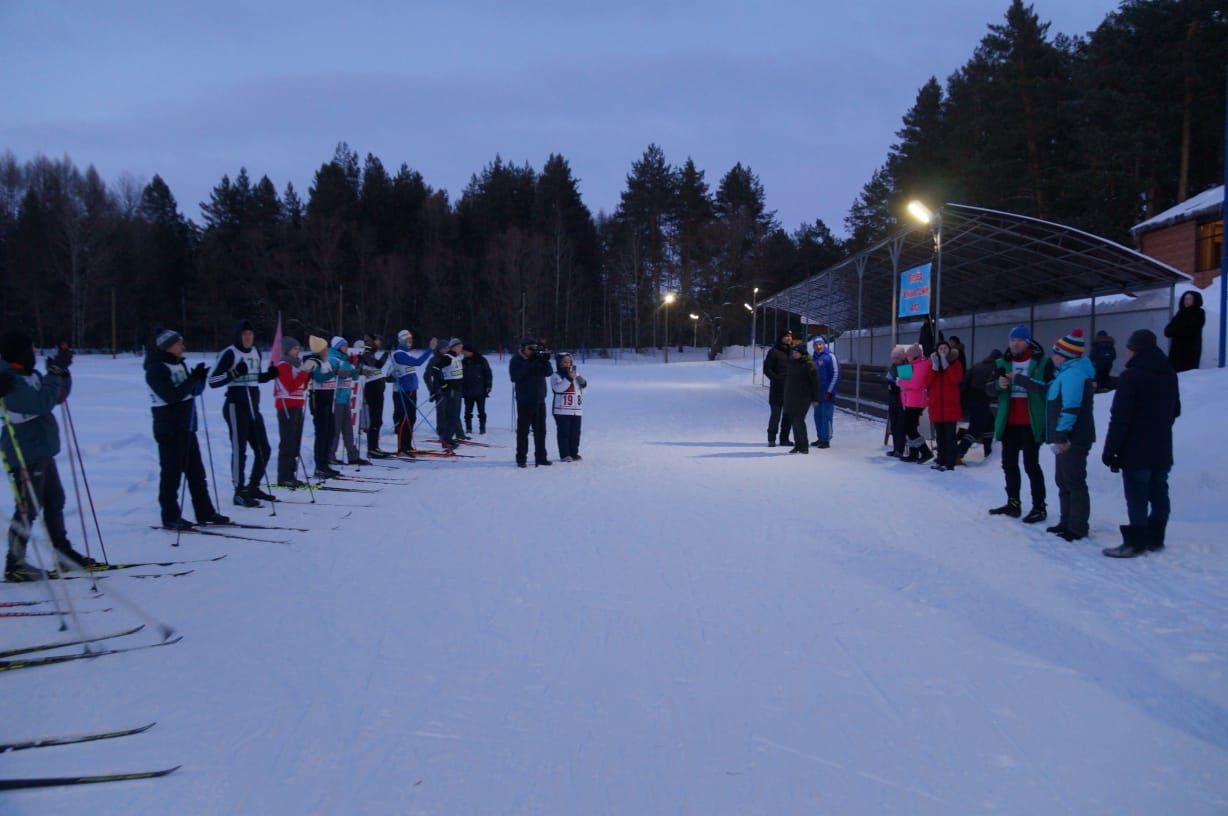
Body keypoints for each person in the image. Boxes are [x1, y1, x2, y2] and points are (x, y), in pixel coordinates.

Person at [1, 333, 96, 580]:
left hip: (42, 449)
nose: (34, 352)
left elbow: (57, 396)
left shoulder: (28, 374)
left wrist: (61, 370)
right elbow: (40, 403)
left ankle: (62, 554)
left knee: (55, 500)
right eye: (31, 348)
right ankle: (15, 564)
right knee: (27, 508)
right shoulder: (8, 380)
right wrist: (53, 374)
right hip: (25, 452)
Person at [1101, 329, 1181, 558]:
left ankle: (1135, 542)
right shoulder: (1169, 374)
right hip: (1163, 446)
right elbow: (1176, 410)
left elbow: (1120, 417)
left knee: (1137, 494)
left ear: (1134, 348)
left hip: (1136, 449)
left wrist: (1110, 451)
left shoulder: (1131, 376)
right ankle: (1156, 538)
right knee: (1159, 491)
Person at [145, 329, 230, 530]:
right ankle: (170, 516)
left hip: (187, 426)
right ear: (168, 346)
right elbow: (171, 396)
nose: (183, 347)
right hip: (169, 428)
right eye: (178, 343)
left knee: (196, 473)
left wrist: (199, 379)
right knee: (171, 474)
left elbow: (192, 392)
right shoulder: (155, 369)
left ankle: (205, 511)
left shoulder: (179, 363)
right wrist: (192, 381)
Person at [1016, 328, 1095, 540]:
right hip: (1066, 439)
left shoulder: (1074, 375)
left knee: (1074, 482)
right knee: (1063, 481)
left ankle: (1077, 527)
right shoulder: (1065, 374)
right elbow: (1046, 389)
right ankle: (1066, 521)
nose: (1053, 356)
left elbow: (1071, 408)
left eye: (1056, 352)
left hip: (1073, 439)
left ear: (1066, 355)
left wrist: (1062, 436)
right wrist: (1020, 380)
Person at [208, 319, 277, 507]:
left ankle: (253, 486)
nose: (248, 338)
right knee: (240, 450)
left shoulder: (256, 351)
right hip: (235, 406)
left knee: (264, 449)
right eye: (244, 334)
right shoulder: (230, 353)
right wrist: (233, 373)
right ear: (238, 336)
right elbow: (213, 381)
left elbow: (254, 377)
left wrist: (268, 376)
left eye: (251, 334)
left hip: (253, 407)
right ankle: (239, 491)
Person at [989, 325, 1053, 522]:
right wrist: (997, 386)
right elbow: (988, 389)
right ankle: (1013, 503)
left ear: (1027, 342)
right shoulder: (1001, 362)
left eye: (1019, 339)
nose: (1015, 343)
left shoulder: (1042, 362)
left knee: (1031, 465)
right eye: (1012, 339)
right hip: (1009, 422)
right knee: (1008, 464)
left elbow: (1049, 390)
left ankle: (1039, 506)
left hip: (1032, 422)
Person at [509, 337, 554, 468]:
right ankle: (521, 458)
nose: (533, 351)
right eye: (530, 348)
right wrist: (529, 364)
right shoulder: (516, 360)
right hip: (524, 400)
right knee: (523, 431)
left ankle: (541, 457)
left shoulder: (537, 358)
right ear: (523, 348)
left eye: (535, 348)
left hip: (540, 399)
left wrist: (544, 360)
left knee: (541, 431)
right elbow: (514, 377)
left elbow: (549, 372)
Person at [390, 329, 436, 455]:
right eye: (407, 340)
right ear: (402, 341)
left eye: (411, 340)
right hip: (403, 392)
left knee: (411, 419)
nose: (410, 342)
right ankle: (402, 448)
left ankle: (407, 445)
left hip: (411, 391)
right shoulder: (399, 354)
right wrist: (430, 349)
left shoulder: (407, 354)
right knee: (404, 419)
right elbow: (418, 362)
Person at [273, 336, 310, 487]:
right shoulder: (283, 365)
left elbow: (302, 385)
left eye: (298, 348)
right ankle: (283, 476)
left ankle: (291, 474)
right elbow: (291, 385)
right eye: (295, 348)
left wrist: (307, 373)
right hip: (286, 406)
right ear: (287, 350)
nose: (297, 351)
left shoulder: (296, 365)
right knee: (287, 441)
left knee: (295, 441)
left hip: (297, 404)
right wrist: (304, 373)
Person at [304, 335, 340, 479]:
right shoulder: (313, 361)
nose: (326, 350)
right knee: (322, 434)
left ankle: (325, 464)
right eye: (324, 348)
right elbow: (319, 377)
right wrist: (334, 372)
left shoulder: (326, 362)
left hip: (328, 400)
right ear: (319, 349)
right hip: (318, 401)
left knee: (330, 432)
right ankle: (319, 466)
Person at [926, 338, 964, 471]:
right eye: (940, 349)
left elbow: (956, 379)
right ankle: (940, 459)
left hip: (950, 407)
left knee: (950, 436)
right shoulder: (933, 364)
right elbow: (928, 382)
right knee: (940, 437)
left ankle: (950, 461)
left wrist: (946, 366)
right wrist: (935, 368)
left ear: (949, 350)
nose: (943, 351)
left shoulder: (956, 363)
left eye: (945, 349)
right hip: (937, 406)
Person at [328, 337, 366, 466]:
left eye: (347, 345)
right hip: (336, 398)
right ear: (337, 346)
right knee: (335, 429)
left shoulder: (345, 359)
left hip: (345, 398)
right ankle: (330, 455)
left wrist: (357, 365)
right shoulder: (332, 358)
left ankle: (353, 456)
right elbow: (339, 373)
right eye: (344, 345)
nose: (346, 348)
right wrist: (350, 367)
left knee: (348, 429)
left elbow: (354, 375)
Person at [956, 350, 1000, 463]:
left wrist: (962, 402)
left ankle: (989, 453)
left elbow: (965, 382)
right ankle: (958, 453)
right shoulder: (996, 368)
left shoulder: (977, 365)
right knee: (975, 429)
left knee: (989, 424)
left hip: (971, 400)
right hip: (983, 399)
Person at [897, 343, 933, 464]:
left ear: (914, 356)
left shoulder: (921, 366)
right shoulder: (917, 364)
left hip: (916, 400)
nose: (907, 357)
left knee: (909, 427)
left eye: (908, 355)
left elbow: (915, 384)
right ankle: (913, 453)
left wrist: (901, 382)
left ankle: (925, 451)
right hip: (912, 400)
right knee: (910, 427)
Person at [426, 338, 464, 450]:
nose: (461, 348)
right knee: (450, 416)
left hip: (457, 391)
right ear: (454, 347)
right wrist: (443, 384)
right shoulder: (447, 358)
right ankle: (447, 439)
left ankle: (449, 438)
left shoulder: (456, 357)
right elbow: (435, 370)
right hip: (450, 391)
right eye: (459, 346)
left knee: (454, 415)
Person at [783, 342, 820, 453]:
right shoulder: (792, 363)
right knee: (794, 421)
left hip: (803, 397)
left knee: (799, 420)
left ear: (802, 353)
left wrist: (815, 398)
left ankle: (804, 446)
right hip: (791, 396)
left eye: (796, 352)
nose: (794, 354)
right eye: (793, 352)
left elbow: (815, 383)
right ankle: (797, 445)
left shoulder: (809, 364)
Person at [550, 352, 587, 461]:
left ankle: (574, 453)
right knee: (564, 433)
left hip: (576, 410)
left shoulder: (575, 374)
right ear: (559, 363)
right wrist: (569, 379)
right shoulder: (556, 375)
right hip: (562, 410)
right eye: (564, 362)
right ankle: (565, 454)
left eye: (569, 361)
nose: (567, 364)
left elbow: (583, 390)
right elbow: (559, 389)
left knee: (575, 433)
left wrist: (581, 381)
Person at [359, 333, 390, 456]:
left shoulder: (370, 351)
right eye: (377, 341)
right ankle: (372, 448)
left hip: (376, 387)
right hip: (372, 388)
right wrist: (387, 352)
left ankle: (375, 447)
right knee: (374, 418)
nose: (379, 343)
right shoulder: (365, 352)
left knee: (377, 419)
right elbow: (378, 364)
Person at [762, 330, 793, 448]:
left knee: (788, 415)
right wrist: (777, 379)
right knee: (775, 415)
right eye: (785, 336)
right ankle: (771, 438)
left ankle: (784, 439)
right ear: (781, 338)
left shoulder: (794, 351)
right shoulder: (773, 352)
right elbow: (767, 369)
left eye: (790, 336)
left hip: (790, 390)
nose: (788, 338)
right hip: (777, 390)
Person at [1164, 290, 1205, 373]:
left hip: (1190, 350)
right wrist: (1177, 329)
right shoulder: (1180, 313)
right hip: (1176, 351)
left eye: (1189, 299)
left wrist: (1177, 329)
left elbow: (1191, 328)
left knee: (1188, 375)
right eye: (1185, 299)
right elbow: (1168, 331)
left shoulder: (1199, 312)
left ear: (1195, 300)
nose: (1186, 301)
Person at [811, 335, 839, 449]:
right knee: (817, 416)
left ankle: (826, 439)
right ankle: (820, 438)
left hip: (827, 394)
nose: (818, 347)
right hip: (817, 394)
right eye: (816, 345)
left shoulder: (830, 356)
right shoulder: (814, 358)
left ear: (824, 344)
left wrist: (830, 391)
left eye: (820, 344)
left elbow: (836, 374)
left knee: (826, 416)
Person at [461, 343, 493, 435]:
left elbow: (488, 373)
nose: (464, 353)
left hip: (480, 390)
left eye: (465, 351)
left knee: (481, 410)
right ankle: (468, 428)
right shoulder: (463, 362)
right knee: (468, 410)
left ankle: (482, 428)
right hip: (467, 390)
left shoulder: (481, 360)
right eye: (463, 351)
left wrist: (488, 385)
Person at [884, 347, 908, 457]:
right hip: (893, 400)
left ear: (902, 358)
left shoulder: (905, 367)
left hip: (902, 401)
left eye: (897, 358)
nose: (895, 360)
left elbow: (905, 385)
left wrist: (893, 386)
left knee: (900, 426)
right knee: (893, 426)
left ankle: (900, 449)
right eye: (893, 358)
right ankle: (895, 448)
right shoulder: (892, 368)